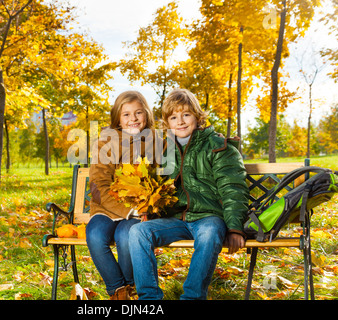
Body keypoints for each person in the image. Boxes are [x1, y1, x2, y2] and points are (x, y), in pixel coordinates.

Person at [128, 88, 249, 300]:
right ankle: (149, 300)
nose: (180, 121)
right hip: (175, 219)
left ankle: (192, 297)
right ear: (167, 122)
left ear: (197, 116)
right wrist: (150, 210)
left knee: (210, 233)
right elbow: (157, 188)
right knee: (138, 232)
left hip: (209, 217)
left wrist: (234, 227)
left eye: (186, 115)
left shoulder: (218, 147)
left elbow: (233, 189)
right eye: (173, 117)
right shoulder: (163, 150)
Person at [87, 90, 157, 300]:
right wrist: (128, 210)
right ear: (118, 117)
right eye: (126, 114)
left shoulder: (157, 141)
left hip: (140, 210)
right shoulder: (105, 143)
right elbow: (99, 185)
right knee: (95, 236)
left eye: (138, 113)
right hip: (107, 209)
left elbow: (185, 144)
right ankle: (118, 291)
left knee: (125, 236)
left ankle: (128, 290)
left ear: (146, 114)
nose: (133, 119)